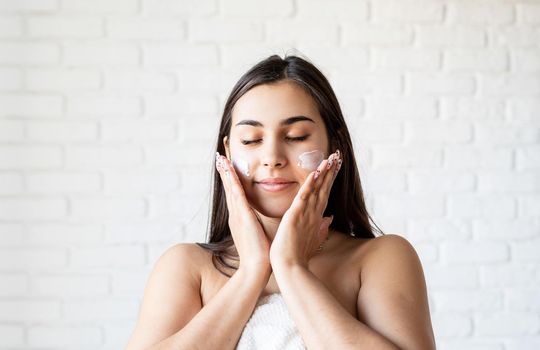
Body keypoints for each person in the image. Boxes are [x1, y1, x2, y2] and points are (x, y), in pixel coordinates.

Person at [125, 54, 436, 350]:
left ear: (335, 145)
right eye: (251, 140)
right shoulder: (187, 267)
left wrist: (291, 268)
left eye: (297, 136)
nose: (272, 158)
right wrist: (251, 272)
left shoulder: (381, 259)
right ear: (229, 151)